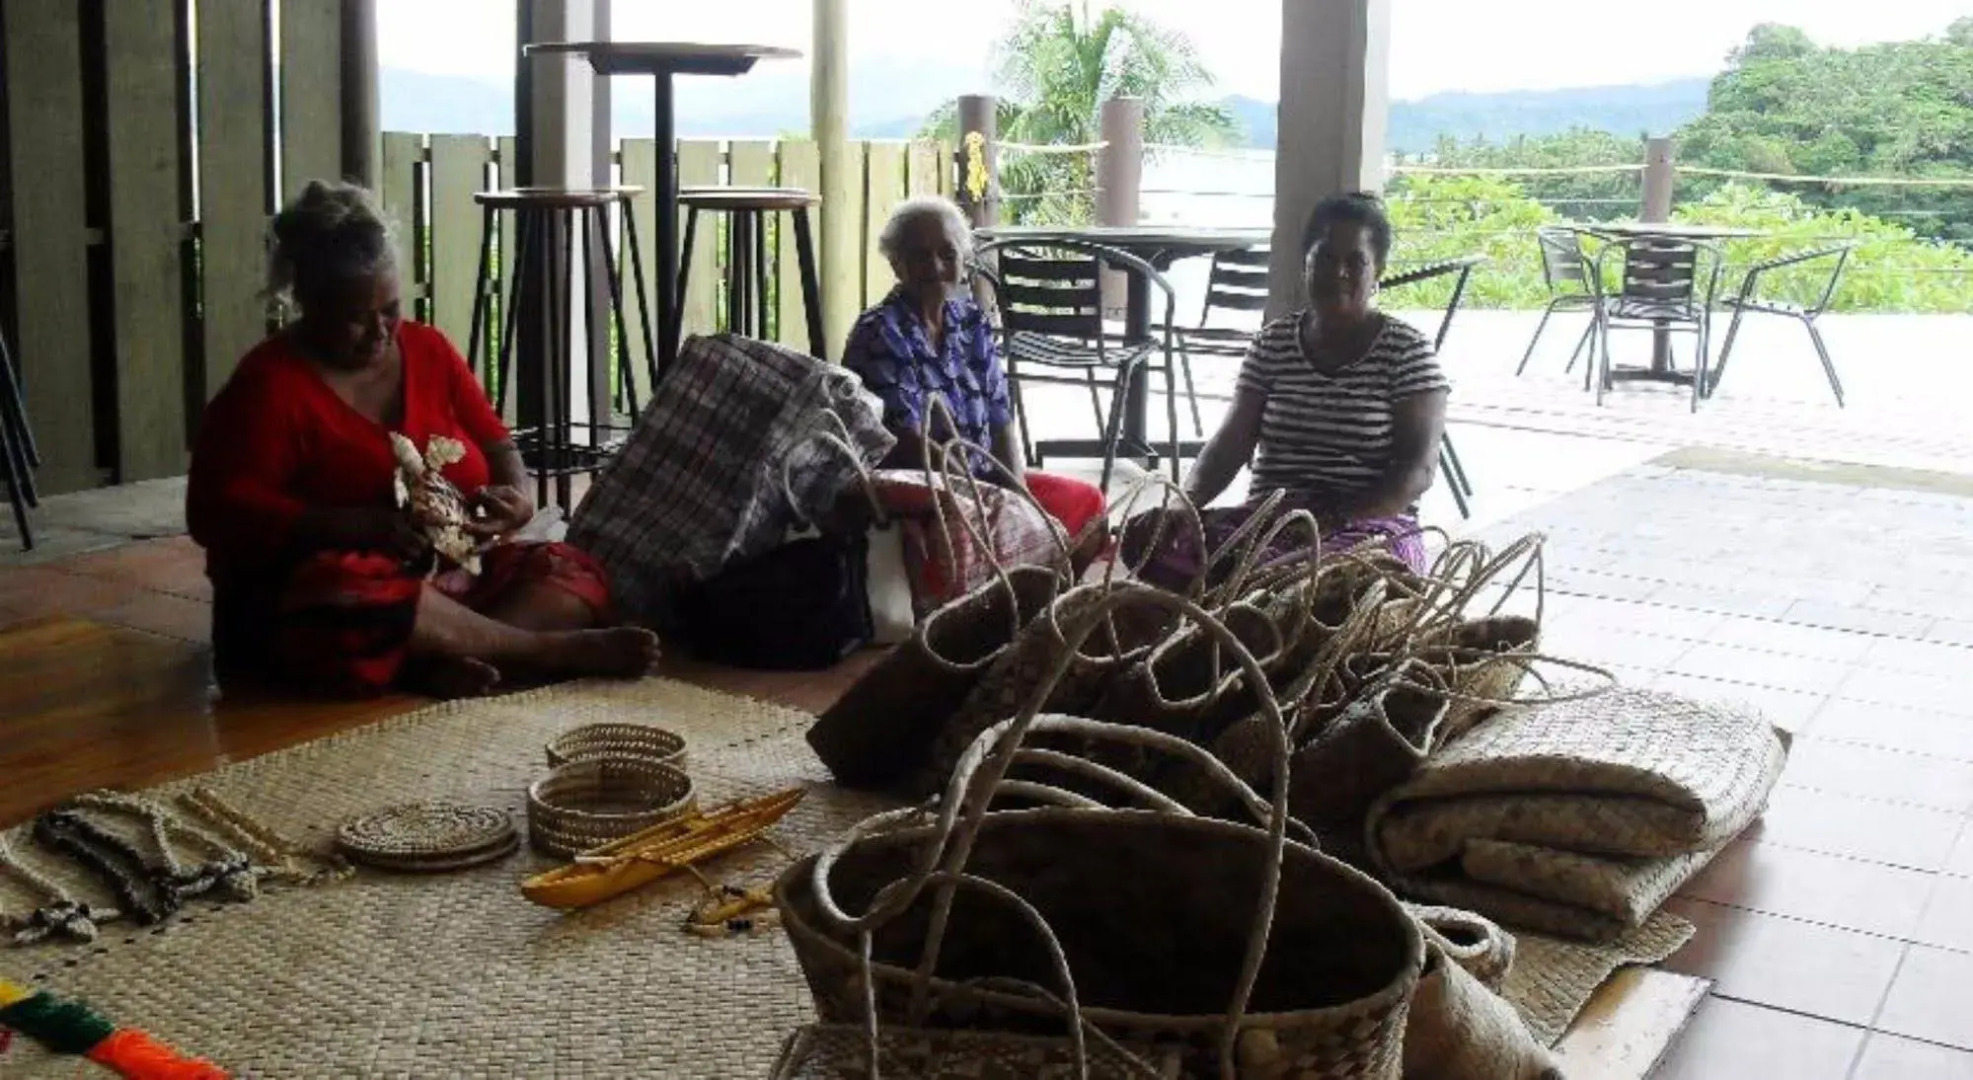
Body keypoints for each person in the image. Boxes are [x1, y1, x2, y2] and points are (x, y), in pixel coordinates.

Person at [186, 180, 659, 698]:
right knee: (351, 592)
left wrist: (516, 499)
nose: (380, 332)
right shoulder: (269, 385)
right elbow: (217, 513)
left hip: (450, 582)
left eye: (390, 310)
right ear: (306, 300)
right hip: (319, 596)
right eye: (355, 319)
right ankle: (538, 651)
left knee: (573, 568)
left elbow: (498, 444)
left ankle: (439, 656)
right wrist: (351, 527)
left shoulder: (428, 349)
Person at [1126, 192, 1448, 586]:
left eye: (1355, 261)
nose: (1339, 272)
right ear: (1305, 263)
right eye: (1326, 258)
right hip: (1271, 521)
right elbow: (1230, 445)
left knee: (1327, 581)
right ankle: (1248, 605)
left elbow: (1418, 469)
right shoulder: (1273, 344)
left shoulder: (1407, 351)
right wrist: (1183, 503)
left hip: (1370, 528)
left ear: (1377, 269)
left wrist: (1336, 517)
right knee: (1148, 539)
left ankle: (1252, 602)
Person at [842, 196, 1108, 562]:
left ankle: (1045, 608)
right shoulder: (881, 333)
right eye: (920, 256)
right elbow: (909, 447)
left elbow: (1001, 423)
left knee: (1086, 506)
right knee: (973, 542)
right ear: (897, 264)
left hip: (983, 481)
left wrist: (1020, 499)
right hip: (926, 496)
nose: (935, 267)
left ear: (963, 259)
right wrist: (993, 505)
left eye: (947, 253)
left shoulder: (970, 321)